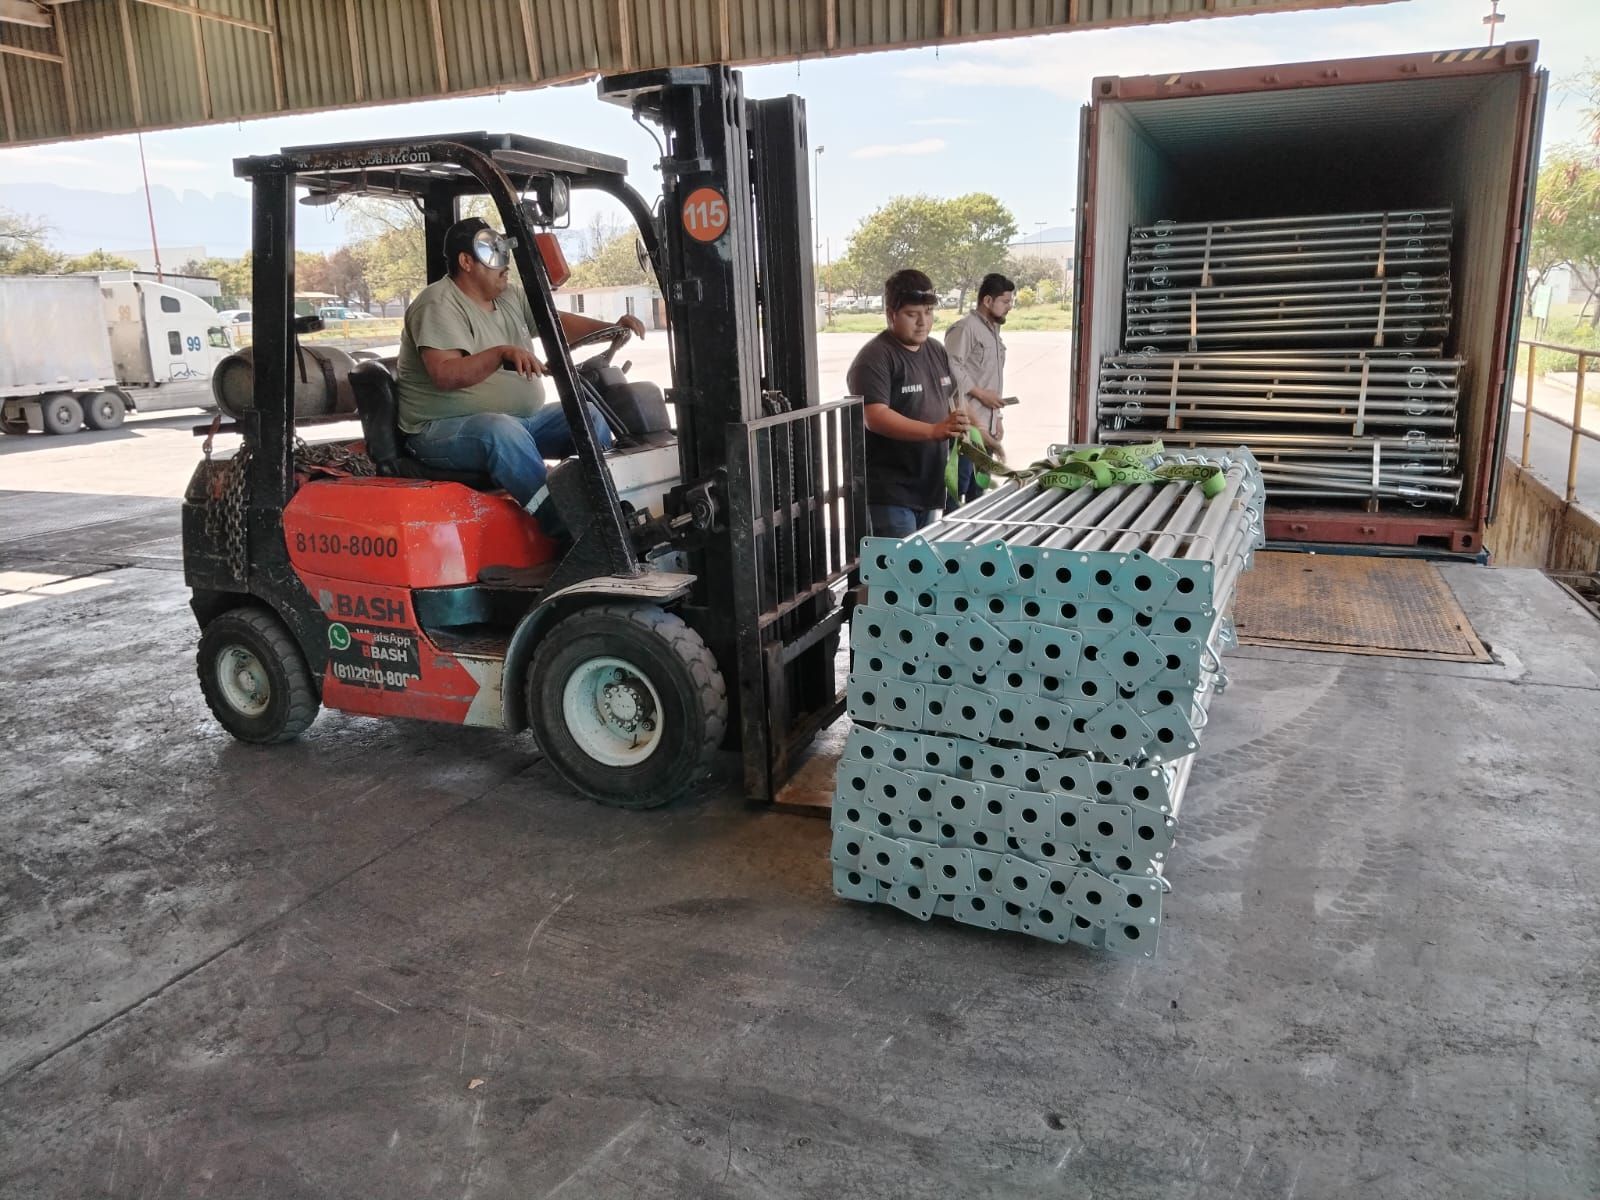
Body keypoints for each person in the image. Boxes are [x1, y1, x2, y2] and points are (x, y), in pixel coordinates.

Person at [395, 216, 646, 538]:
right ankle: (571, 532)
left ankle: (609, 509)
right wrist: (500, 353)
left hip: (521, 421)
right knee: (500, 431)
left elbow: (555, 324)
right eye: (493, 253)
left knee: (589, 414)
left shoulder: (509, 296)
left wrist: (610, 327)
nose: (506, 265)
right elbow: (445, 374)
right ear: (466, 261)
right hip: (439, 431)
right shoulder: (438, 303)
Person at [846, 269, 971, 539]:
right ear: (891, 314)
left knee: (922, 569)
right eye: (912, 314)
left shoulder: (935, 350)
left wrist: (973, 431)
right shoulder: (875, 358)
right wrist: (933, 431)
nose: (923, 322)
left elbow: (951, 399)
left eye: (928, 312)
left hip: (929, 487)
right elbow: (875, 416)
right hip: (892, 492)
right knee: (902, 574)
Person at [943, 272, 1014, 504]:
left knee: (978, 493)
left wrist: (998, 417)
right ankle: (950, 537)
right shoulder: (965, 328)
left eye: (1010, 301)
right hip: (967, 427)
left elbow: (992, 380)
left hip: (988, 425)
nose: (1009, 307)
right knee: (957, 490)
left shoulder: (993, 332)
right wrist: (980, 393)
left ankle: (973, 538)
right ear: (987, 301)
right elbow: (951, 367)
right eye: (1005, 301)